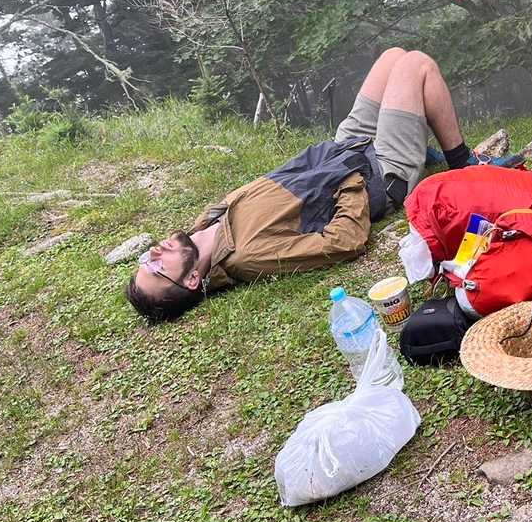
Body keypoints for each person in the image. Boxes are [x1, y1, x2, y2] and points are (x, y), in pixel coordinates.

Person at [125, 48, 506, 322]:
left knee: (392, 56)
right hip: (379, 172)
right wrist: (352, 180)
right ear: (193, 279)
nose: (153, 253)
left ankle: (422, 146)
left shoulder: (206, 224)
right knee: (416, 64)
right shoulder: (248, 257)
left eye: (145, 260)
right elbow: (343, 242)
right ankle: (463, 164)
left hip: (343, 149)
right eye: (156, 267)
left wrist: (340, 156)